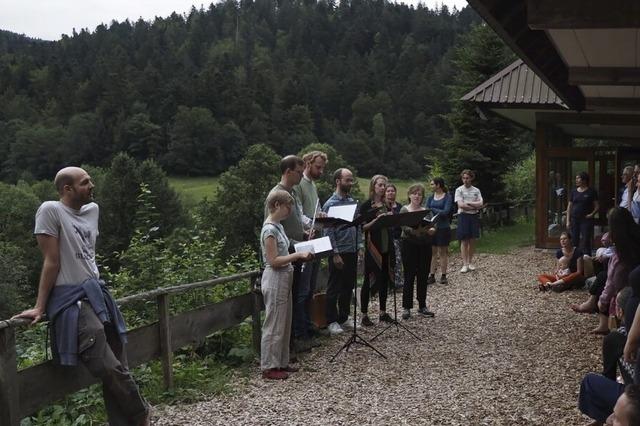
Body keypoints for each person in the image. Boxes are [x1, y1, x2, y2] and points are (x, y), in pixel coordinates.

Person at [12, 167, 150, 426]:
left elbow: (87, 256)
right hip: (71, 296)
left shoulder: (92, 210)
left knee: (119, 361)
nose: (92, 185)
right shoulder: (50, 210)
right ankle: (140, 411)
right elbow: (51, 261)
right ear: (67, 189)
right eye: (85, 182)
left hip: (96, 292)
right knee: (102, 361)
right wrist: (40, 306)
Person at [260, 190, 313, 380]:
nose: (290, 209)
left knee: (284, 320)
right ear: (276, 205)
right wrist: (298, 255)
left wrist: (305, 244)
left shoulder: (278, 226)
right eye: (287, 205)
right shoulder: (269, 230)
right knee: (274, 322)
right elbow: (273, 260)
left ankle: (281, 361)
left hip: (285, 276)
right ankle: (269, 365)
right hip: (275, 277)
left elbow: (288, 244)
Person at [264, 155, 310, 354]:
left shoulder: (292, 193)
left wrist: (304, 234)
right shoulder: (276, 195)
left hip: (294, 250)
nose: (301, 176)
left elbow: (293, 224)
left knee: (292, 301)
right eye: (299, 172)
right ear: (288, 171)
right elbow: (270, 230)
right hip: (283, 256)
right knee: (280, 311)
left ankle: (288, 347)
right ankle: (282, 351)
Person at [293, 151, 328, 343]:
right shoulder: (299, 185)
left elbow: (316, 210)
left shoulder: (313, 185)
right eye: (318, 167)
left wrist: (322, 217)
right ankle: (301, 332)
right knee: (303, 289)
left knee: (311, 288)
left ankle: (308, 325)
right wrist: (310, 225)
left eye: (322, 167)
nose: (321, 171)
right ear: (307, 163)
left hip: (316, 240)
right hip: (305, 241)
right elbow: (299, 214)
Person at [322, 168, 358, 335]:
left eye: (351, 180)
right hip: (339, 251)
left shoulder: (351, 201)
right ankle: (331, 320)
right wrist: (334, 253)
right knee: (334, 286)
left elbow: (356, 225)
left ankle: (344, 317)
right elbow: (328, 231)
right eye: (347, 180)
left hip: (352, 249)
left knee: (348, 285)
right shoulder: (330, 204)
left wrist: (360, 246)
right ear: (338, 181)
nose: (350, 183)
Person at [359, 175, 395, 326]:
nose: (383, 188)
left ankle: (382, 312)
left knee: (384, 279)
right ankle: (364, 314)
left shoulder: (388, 204)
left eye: (384, 185)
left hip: (386, 244)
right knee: (369, 279)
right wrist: (376, 221)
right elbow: (362, 227)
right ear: (373, 186)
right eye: (380, 185)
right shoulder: (366, 205)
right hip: (372, 246)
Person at [400, 184, 436, 319]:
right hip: (409, 245)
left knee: (423, 275)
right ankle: (406, 307)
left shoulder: (426, 210)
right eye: (414, 193)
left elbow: (432, 226)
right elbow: (403, 226)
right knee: (409, 276)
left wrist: (432, 230)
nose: (417, 196)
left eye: (419, 194)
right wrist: (415, 231)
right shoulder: (404, 210)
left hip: (424, 245)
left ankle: (422, 305)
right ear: (409, 195)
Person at [454, 169, 483, 273]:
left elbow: (481, 203)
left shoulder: (476, 190)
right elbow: (460, 205)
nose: (465, 180)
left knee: (472, 240)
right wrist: (474, 206)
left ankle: (470, 262)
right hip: (463, 216)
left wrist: (469, 204)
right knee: (464, 240)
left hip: (473, 216)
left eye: (467, 178)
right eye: (463, 178)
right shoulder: (459, 190)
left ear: (471, 178)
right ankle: (465, 264)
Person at [427, 177, 452, 285]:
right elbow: (426, 210)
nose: (431, 186)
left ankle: (443, 275)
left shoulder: (447, 197)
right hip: (432, 227)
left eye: (432, 184)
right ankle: (431, 275)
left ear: (438, 185)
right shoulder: (430, 197)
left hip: (443, 227)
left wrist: (433, 209)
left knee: (443, 252)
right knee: (433, 252)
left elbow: (446, 212)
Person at [567, 171, 599, 256]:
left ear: (584, 180)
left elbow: (597, 206)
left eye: (578, 178)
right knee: (574, 240)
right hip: (574, 219)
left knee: (586, 240)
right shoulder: (573, 192)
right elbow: (569, 207)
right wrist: (568, 220)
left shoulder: (591, 191)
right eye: (576, 178)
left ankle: (587, 259)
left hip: (586, 220)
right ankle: (575, 259)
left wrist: (592, 214)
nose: (576, 180)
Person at [385, 183, 404, 290]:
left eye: (392, 191)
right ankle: (388, 283)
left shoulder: (400, 206)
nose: (390, 193)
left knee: (398, 260)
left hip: (398, 236)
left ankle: (399, 283)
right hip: (387, 237)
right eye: (388, 191)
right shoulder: (383, 207)